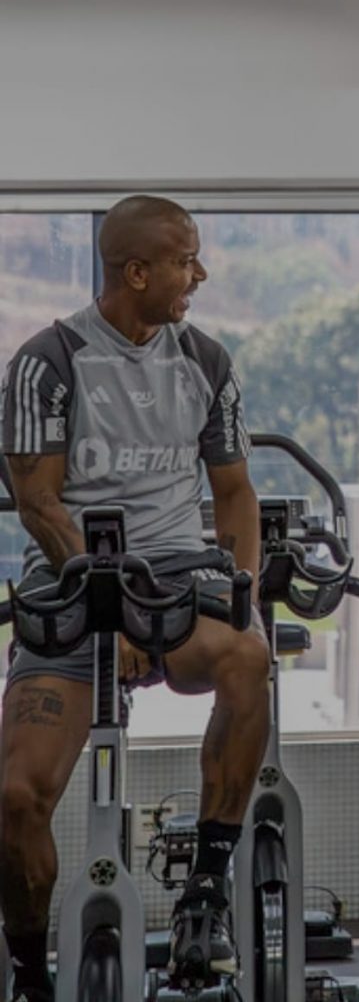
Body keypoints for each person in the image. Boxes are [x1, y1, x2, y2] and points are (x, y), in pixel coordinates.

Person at [0, 195, 270, 1002]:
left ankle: (207, 890)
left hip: (178, 578)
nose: (201, 274)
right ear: (137, 271)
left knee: (249, 661)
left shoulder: (206, 360)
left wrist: (241, 593)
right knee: (15, 799)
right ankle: (26, 968)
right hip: (71, 581)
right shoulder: (46, 361)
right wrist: (104, 597)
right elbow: (40, 502)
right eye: (187, 260)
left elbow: (234, 496)